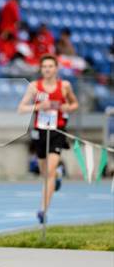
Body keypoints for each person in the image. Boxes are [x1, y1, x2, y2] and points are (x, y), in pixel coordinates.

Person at [18, 54, 78, 224]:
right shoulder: (34, 87)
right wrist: (38, 106)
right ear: (41, 69)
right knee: (45, 173)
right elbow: (21, 108)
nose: (47, 69)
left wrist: (67, 107)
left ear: (56, 68)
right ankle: (57, 176)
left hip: (57, 131)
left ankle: (43, 209)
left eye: (50, 66)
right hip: (40, 131)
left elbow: (75, 104)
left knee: (49, 172)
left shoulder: (64, 86)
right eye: (44, 66)